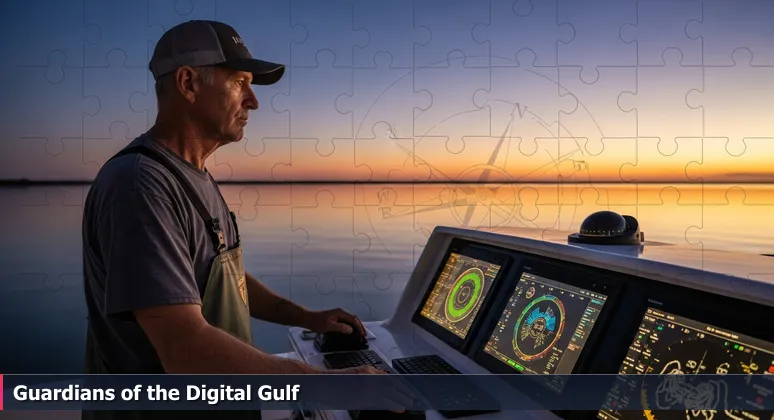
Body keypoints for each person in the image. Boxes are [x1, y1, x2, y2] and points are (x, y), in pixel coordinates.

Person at [81, 20, 387, 419]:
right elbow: (185, 349)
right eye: (240, 82)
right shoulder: (140, 186)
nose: (253, 101)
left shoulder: (193, 175)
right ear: (189, 83)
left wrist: (307, 318)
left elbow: (221, 277)